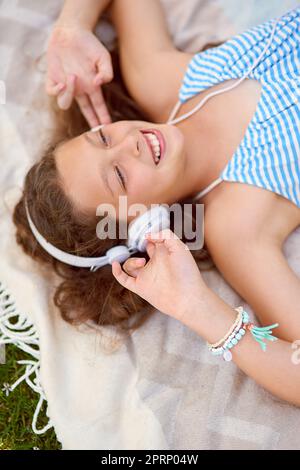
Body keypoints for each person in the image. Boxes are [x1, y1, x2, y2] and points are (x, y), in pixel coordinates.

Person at [13, 0, 300, 406]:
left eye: (102, 138)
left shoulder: (158, 81)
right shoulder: (236, 226)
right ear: (144, 227)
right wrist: (200, 310)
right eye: (118, 176)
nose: (130, 142)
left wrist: (71, 26)